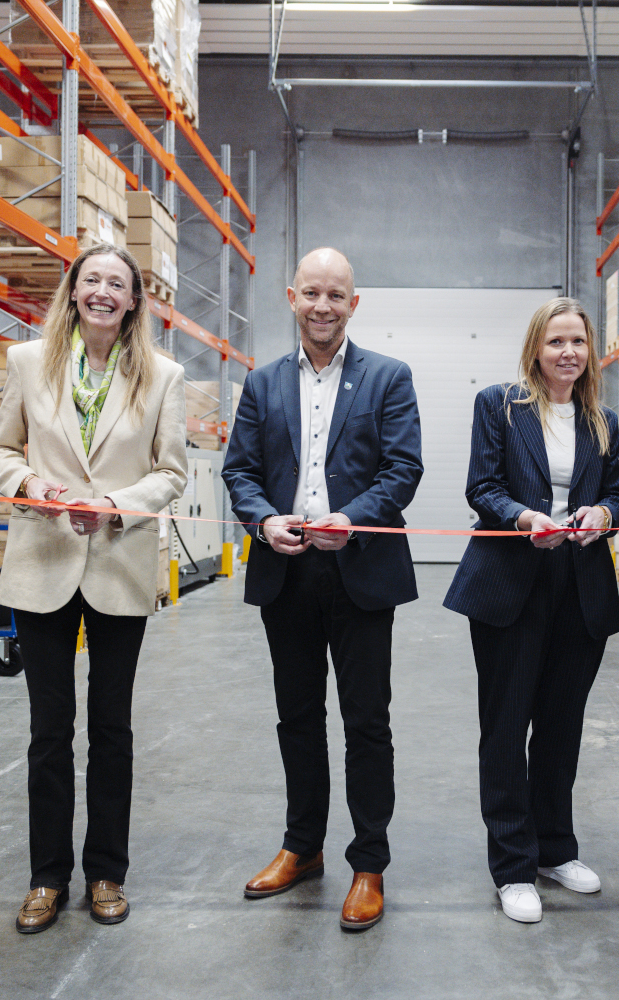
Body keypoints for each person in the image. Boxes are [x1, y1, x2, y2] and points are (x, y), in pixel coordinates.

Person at [0, 242, 188, 935]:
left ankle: (106, 870)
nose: (103, 292)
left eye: (118, 284)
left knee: (111, 729)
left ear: (134, 301)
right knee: (50, 731)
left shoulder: (163, 376)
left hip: (117, 563)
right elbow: (0, 452)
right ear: (73, 291)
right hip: (42, 560)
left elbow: (173, 472)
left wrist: (118, 502)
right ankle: (47, 877)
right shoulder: (25, 363)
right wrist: (30, 485)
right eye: (92, 280)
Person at [221, 247, 423, 932]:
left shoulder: (389, 378)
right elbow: (240, 470)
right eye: (312, 292)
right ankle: (303, 846)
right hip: (287, 569)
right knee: (298, 716)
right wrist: (264, 519)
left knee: (367, 720)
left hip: (360, 569)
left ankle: (369, 863)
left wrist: (354, 519)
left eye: (337, 295)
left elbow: (402, 468)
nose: (323, 306)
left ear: (353, 304)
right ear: (291, 297)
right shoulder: (262, 382)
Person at [443, 297, 619, 924]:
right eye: (556, 342)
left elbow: (615, 495)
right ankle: (513, 865)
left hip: (580, 585)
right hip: (511, 581)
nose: (568, 352)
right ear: (535, 349)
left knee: (560, 724)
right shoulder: (498, 404)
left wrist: (603, 516)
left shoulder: (602, 418)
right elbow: (482, 486)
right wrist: (525, 519)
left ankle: (554, 849)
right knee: (505, 725)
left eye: (578, 341)